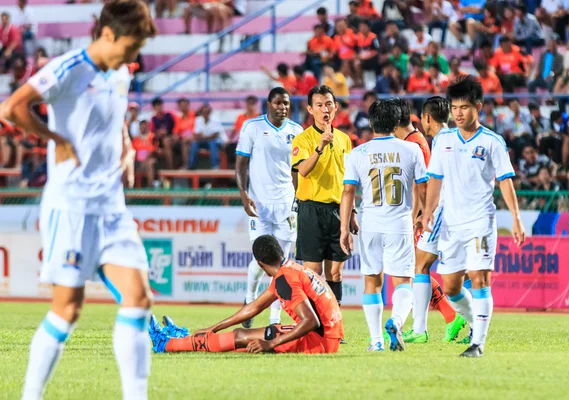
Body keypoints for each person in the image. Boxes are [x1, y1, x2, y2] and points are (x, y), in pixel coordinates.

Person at [0, 0, 157, 398]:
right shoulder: (69, 68)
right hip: (71, 207)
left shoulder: (120, 71)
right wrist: (56, 140)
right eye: (132, 45)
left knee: (138, 298)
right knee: (68, 309)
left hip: (112, 207)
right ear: (108, 34)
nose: (134, 55)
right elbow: (12, 108)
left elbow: (116, 115)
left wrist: (126, 147)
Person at [422, 76, 525, 357]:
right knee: (452, 287)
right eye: (455, 107)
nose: (458, 113)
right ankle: (472, 322)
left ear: (477, 107)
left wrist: (515, 217)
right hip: (451, 224)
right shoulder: (443, 139)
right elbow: (435, 179)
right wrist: (427, 212)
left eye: (464, 107)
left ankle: (477, 342)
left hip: (480, 220)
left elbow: (505, 181)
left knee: (479, 277)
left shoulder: (493, 142)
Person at [148, 235, 344, 354]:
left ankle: (166, 344)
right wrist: (213, 328)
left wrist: (271, 343)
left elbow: (310, 321)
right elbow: (254, 307)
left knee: (241, 336)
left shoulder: (285, 279)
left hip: (320, 340)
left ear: (259, 263)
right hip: (327, 336)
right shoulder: (290, 270)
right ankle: (187, 339)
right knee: (242, 344)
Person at [339, 98, 429, 352]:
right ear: (397, 121)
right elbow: (422, 187)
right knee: (403, 282)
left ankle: (376, 341)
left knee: (372, 283)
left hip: (370, 224)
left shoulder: (358, 153)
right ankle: (397, 321)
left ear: (371, 123)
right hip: (399, 223)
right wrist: (421, 215)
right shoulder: (411, 150)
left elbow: (348, 192)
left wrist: (344, 228)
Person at [235, 87, 303, 328]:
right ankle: (250, 301)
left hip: (286, 205)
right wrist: (243, 193)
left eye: (286, 103)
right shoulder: (252, 127)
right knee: (261, 258)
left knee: (282, 264)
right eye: (278, 103)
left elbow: (298, 171)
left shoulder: (297, 131)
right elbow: (241, 162)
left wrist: (299, 200)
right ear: (268, 104)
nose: (282, 107)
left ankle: (275, 319)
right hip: (259, 205)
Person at [404, 96, 468, 344]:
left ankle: (421, 329)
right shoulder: (456, 138)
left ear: (427, 118)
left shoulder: (441, 142)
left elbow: (435, 182)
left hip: (443, 211)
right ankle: (455, 321)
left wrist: (425, 213)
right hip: (456, 210)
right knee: (451, 270)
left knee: (421, 266)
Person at [291, 85, 358, 322]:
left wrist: (352, 213)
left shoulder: (344, 140)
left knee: (336, 272)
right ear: (310, 109)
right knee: (313, 272)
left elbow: (347, 179)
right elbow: (304, 171)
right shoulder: (303, 139)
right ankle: (312, 323)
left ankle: (333, 323)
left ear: (336, 106)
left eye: (328, 104)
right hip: (311, 209)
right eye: (319, 105)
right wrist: (319, 147)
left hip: (338, 209)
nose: (324, 109)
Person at [189, 104, 226, 169]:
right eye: (204, 112)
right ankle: (191, 166)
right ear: (201, 113)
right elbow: (197, 135)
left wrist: (203, 136)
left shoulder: (215, 119)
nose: (205, 113)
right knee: (194, 143)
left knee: (212, 142)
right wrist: (206, 137)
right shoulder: (198, 120)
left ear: (210, 112)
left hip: (216, 142)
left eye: (207, 112)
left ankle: (215, 166)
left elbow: (215, 135)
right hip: (204, 141)